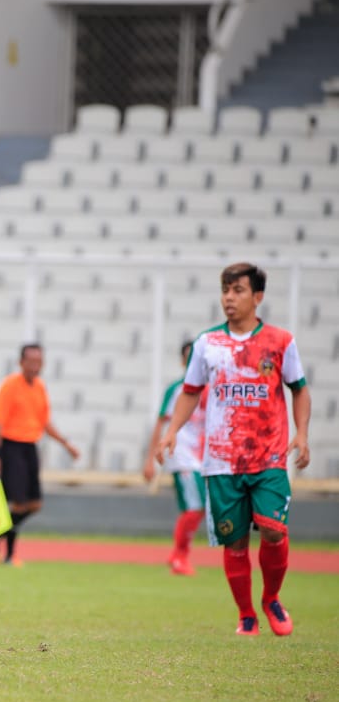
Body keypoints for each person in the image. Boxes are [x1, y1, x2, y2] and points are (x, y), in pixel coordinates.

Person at [157, 262, 311, 637]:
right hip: (222, 461)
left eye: (238, 290)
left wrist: (302, 434)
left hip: (268, 456)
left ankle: (271, 598)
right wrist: (173, 431)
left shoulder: (280, 342)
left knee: (274, 530)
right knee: (235, 540)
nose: (229, 297)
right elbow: (190, 392)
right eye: (225, 290)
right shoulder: (207, 344)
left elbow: (299, 389)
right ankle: (246, 615)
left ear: (257, 297)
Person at [0, 343, 80, 566]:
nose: (36, 366)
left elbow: (44, 422)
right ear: (21, 363)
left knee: (34, 504)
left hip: (30, 447)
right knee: (18, 504)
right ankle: (9, 555)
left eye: (39, 362)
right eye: (31, 361)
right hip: (12, 447)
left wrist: (66, 443)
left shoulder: (39, 387)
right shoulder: (10, 385)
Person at [142, 340, 207, 577]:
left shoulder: (212, 389)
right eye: (188, 358)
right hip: (181, 455)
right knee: (193, 508)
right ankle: (179, 557)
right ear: (182, 361)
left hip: (203, 457)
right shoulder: (177, 390)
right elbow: (160, 424)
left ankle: (178, 554)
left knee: (198, 509)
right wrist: (150, 460)